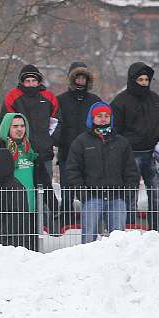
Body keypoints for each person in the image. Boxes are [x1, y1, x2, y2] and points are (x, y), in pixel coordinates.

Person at [63, 102, 141, 244]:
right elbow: (73, 169)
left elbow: (131, 171)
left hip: (117, 198)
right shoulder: (81, 142)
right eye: (99, 116)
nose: (103, 119)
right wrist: (82, 193)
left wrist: (127, 193)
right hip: (92, 198)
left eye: (106, 116)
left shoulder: (122, 142)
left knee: (117, 241)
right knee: (88, 240)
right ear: (92, 118)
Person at [111, 62, 159, 232]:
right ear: (132, 80)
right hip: (130, 154)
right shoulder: (120, 101)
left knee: (156, 193)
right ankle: (130, 230)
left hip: (152, 154)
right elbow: (115, 130)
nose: (143, 82)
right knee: (130, 194)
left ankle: (156, 232)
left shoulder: (156, 100)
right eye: (140, 79)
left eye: (146, 79)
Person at [0, 112, 54, 251]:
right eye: (15, 126)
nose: (19, 129)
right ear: (7, 128)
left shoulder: (32, 150)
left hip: (31, 208)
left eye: (22, 125)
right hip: (8, 211)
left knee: (29, 252)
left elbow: (44, 178)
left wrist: (53, 203)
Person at [53, 62, 102, 228]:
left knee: (90, 193)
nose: (81, 81)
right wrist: (59, 143)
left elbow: (102, 124)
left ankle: (91, 225)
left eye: (84, 77)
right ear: (71, 79)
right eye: (77, 77)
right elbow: (55, 126)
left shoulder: (95, 101)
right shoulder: (60, 100)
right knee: (67, 192)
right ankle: (65, 226)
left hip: (91, 155)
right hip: (67, 155)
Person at [1, 65, 58, 180]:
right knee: (22, 187)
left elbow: (56, 122)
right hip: (20, 152)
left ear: (39, 81)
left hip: (44, 152)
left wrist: (49, 140)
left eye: (34, 80)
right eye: (27, 81)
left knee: (45, 189)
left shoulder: (49, 97)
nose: (31, 84)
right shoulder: (12, 96)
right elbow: (6, 123)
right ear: (22, 82)